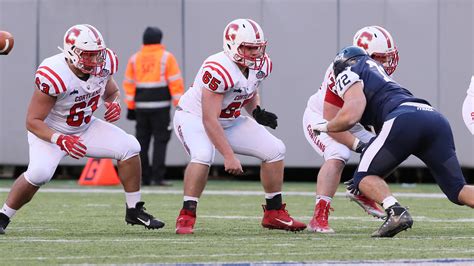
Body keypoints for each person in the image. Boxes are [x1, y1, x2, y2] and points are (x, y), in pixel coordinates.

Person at [0, 24, 164, 235]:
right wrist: (60, 139)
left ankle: (133, 209)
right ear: (70, 51)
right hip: (50, 131)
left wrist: (114, 103)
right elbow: (32, 121)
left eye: (97, 55)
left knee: (130, 147)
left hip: (85, 127)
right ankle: (3, 216)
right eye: (88, 55)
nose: (94, 61)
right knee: (39, 173)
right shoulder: (54, 73)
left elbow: (112, 92)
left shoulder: (104, 64)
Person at [312, 45, 474, 237]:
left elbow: (351, 114)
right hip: (434, 119)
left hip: (404, 119)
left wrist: (325, 127)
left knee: (363, 177)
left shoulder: (349, 70)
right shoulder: (381, 76)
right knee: (457, 189)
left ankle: (396, 212)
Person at [172, 18, 306, 234]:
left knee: (275, 149)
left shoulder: (262, 64)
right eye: (248, 47)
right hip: (194, 117)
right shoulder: (218, 68)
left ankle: (273, 213)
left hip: (229, 119)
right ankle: (187, 214)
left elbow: (248, 90)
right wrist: (228, 155)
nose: (254, 53)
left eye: (257, 48)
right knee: (203, 155)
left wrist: (257, 112)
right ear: (231, 44)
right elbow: (209, 119)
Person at [302, 26, 395, 233]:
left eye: (388, 57)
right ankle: (319, 217)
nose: (386, 63)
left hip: (351, 121)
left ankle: (360, 189)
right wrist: (359, 144)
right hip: (323, 120)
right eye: (380, 57)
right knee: (338, 154)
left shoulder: (374, 73)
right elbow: (332, 122)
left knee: (387, 147)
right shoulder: (343, 70)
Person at [123, 26, 184, 186]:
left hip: (141, 108)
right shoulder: (167, 57)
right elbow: (175, 83)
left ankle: (144, 178)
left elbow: (128, 84)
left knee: (142, 142)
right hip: (161, 107)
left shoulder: (134, 59)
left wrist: (130, 107)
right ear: (159, 39)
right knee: (160, 141)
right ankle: (158, 177)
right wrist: (180, 106)